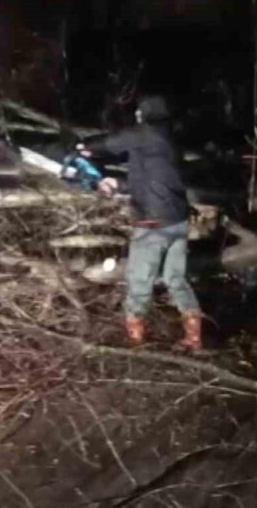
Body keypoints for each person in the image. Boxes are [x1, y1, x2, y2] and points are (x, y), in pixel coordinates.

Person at [88, 95, 203, 350]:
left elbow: (108, 143)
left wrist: (83, 148)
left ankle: (135, 339)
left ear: (143, 115)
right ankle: (193, 338)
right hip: (177, 219)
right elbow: (155, 180)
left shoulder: (145, 133)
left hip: (153, 222)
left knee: (140, 279)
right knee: (176, 278)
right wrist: (120, 184)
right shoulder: (169, 139)